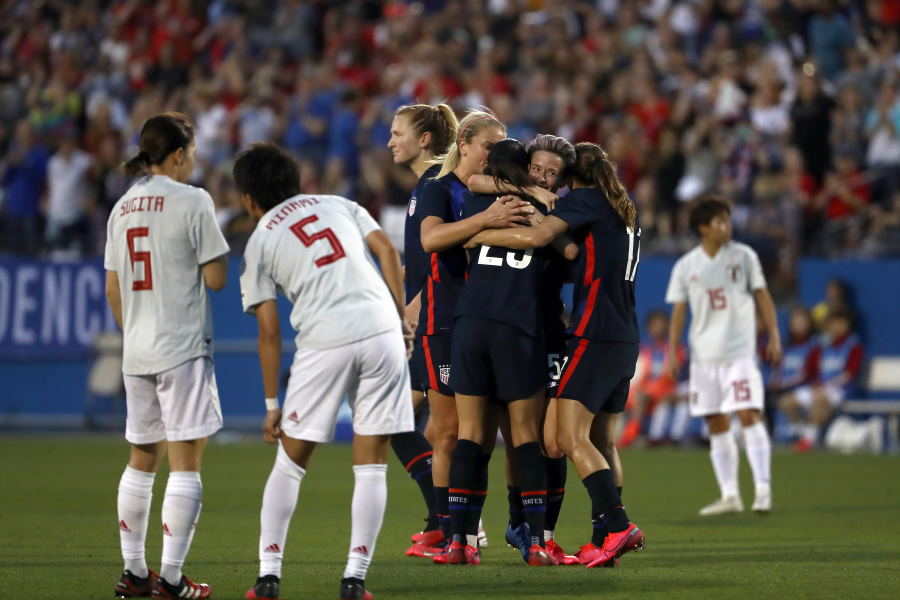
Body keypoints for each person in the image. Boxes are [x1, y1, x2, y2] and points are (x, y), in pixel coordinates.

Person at [234, 143, 415, 600]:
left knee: (291, 464)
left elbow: (270, 333)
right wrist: (400, 318)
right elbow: (388, 252)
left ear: (248, 199)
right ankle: (355, 580)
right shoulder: (338, 204)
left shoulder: (259, 240)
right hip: (381, 331)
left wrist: (272, 405)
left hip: (324, 339)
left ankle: (268, 577)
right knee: (371, 465)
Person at [470, 142, 645, 568]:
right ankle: (605, 540)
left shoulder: (585, 200)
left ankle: (618, 525)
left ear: (573, 180)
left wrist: (475, 234)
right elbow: (571, 250)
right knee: (598, 441)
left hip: (593, 334)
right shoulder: (624, 209)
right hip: (624, 337)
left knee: (567, 438)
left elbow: (535, 237)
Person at [105, 113, 229, 600]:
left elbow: (114, 287)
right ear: (178, 154)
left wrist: (136, 330)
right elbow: (216, 278)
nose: (194, 160)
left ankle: (134, 574)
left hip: (136, 350)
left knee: (141, 458)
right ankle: (172, 581)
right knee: (185, 462)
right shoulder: (194, 200)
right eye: (192, 152)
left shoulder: (121, 208)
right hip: (181, 347)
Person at [439, 138, 575, 567]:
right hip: (518, 329)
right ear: (525, 166)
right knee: (525, 438)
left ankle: (458, 541)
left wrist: (486, 229)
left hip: (471, 324)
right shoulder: (553, 210)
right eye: (538, 168)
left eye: (551, 173)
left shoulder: (482, 200)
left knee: (470, 436)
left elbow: (468, 221)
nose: (542, 177)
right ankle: (535, 541)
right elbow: (568, 255)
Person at [413, 110, 532, 556]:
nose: (492, 155)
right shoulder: (438, 188)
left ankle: (491, 528)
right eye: (487, 145)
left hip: (487, 321)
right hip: (446, 320)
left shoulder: (491, 192)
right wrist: (487, 222)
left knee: (491, 435)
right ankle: (449, 533)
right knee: (449, 433)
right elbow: (430, 240)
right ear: (463, 142)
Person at [665, 196, 782, 516]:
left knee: (748, 415)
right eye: (719, 222)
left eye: (728, 220)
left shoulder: (744, 256)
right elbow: (678, 311)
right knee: (716, 422)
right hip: (703, 357)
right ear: (703, 228)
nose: (726, 227)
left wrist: (774, 334)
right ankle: (730, 495)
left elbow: (763, 296)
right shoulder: (686, 266)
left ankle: (763, 490)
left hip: (739, 354)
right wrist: (673, 351)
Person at [386, 103, 459, 556]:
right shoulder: (424, 186)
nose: (391, 141)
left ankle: (453, 521)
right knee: (402, 420)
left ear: (425, 139)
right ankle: (441, 518)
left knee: (439, 428)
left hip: (437, 321)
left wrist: (414, 305)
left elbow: (446, 258)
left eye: (398, 133)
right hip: (428, 318)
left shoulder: (435, 184)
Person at [780, 307, 862, 452]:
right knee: (787, 402)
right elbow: (814, 372)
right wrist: (816, 385)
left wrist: (825, 386)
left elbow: (849, 374)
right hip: (821, 387)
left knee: (819, 400)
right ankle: (802, 433)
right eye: (834, 323)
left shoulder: (853, 345)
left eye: (841, 323)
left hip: (841, 390)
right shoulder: (822, 345)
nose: (837, 326)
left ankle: (809, 441)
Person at [620, 310, 686, 448]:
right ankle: (621, 433)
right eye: (655, 326)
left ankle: (630, 435)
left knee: (642, 397)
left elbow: (674, 377)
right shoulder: (644, 351)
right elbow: (639, 376)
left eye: (662, 325)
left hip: (666, 391)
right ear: (649, 329)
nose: (659, 329)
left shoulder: (676, 350)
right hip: (645, 393)